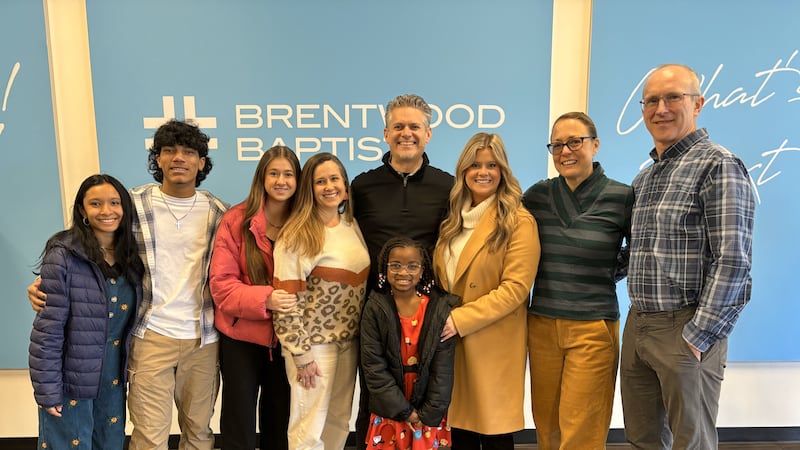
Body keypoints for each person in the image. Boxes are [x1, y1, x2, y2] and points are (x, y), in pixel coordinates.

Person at [29, 119, 229, 449]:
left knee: (199, 433)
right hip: (151, 335)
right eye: (169, 151)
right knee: (149, 436)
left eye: (188, 152)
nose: (178, 158)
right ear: (158, 159)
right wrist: (43, 281)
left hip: (203, 340)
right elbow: (88, 245)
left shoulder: (219, 212)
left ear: (201, 162)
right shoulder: (131, 204)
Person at [621, 63, 755, 449]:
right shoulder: (645, 177)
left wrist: (697, 338)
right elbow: (638, 253)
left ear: (698, 103)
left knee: (690, 441)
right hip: (638, 325)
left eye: (673, 97)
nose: (660, 108)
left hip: (686, 326)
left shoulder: (719, 165)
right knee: (642, 438)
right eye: (651, 100)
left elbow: (734, 263)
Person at [522, 112, 633, 449]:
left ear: (595, 145)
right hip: (542, 323)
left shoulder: (622, 196)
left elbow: (638, 248)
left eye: (575, 142)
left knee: (583, 424)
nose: (565, 151)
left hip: (592, 326)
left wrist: (606, 270)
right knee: (547, 422)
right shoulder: (537, 196)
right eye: (557, 145)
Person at [352, 93, 453, 450]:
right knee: (375, 398)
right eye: (398, 126)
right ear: (385, 133)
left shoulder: (449, 186)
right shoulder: (362, 187)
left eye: (414, 126)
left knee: (430, 399)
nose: (405, 133)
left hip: (429, 312)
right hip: (377, 310)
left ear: (428, 134)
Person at [434, 132, 540, 450]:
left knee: (494, 436)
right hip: (452, 344)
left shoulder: (518, 221)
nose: (483, 172)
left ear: (502, 170)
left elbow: (515, 289)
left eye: (491, 165)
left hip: (491, 343)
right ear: (463, 171)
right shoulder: (452, 220)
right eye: (475, 164)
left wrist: (459, 320)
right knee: (461, 434)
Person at [29, 174, 144, 450]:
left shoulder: (133, 255)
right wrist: (47, 391)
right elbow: (48, 332)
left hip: (113, 381)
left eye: (114, 203)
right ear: (82, 210)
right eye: (96, 203)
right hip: (71, 381)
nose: (106, 211)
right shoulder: (64, 254)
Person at [272, 152, 370, 450]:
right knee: (308, 427)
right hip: (312, 346)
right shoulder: (297, 234)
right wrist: (301, 355)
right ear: (308, 189)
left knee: (339, 422)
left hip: (348, 342)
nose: (329, 187)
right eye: (320, 181)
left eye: (335, 179)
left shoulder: (351, 225)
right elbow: (285, 302)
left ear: (345, 184)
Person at [209, 146, 301, 450]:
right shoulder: (236, 220)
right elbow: (221, 286)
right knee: (239, 421)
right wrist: (267, 299)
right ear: (261, 178)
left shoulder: (305, 223)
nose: (281, 180)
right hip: (241, 338)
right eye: (273, 173)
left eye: (288, 174)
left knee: (281, 419)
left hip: (287, 338)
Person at [360, 237, 458, 449]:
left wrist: (428, 413)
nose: (404, 272)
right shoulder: (375, 308)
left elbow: (443, 370)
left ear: (422, 270)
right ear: (384, 269)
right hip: (390, 408)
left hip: (426, 409)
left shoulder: (437, 311)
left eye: (412, 266)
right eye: (395, 265)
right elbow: (374, 368)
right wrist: (405, 412)